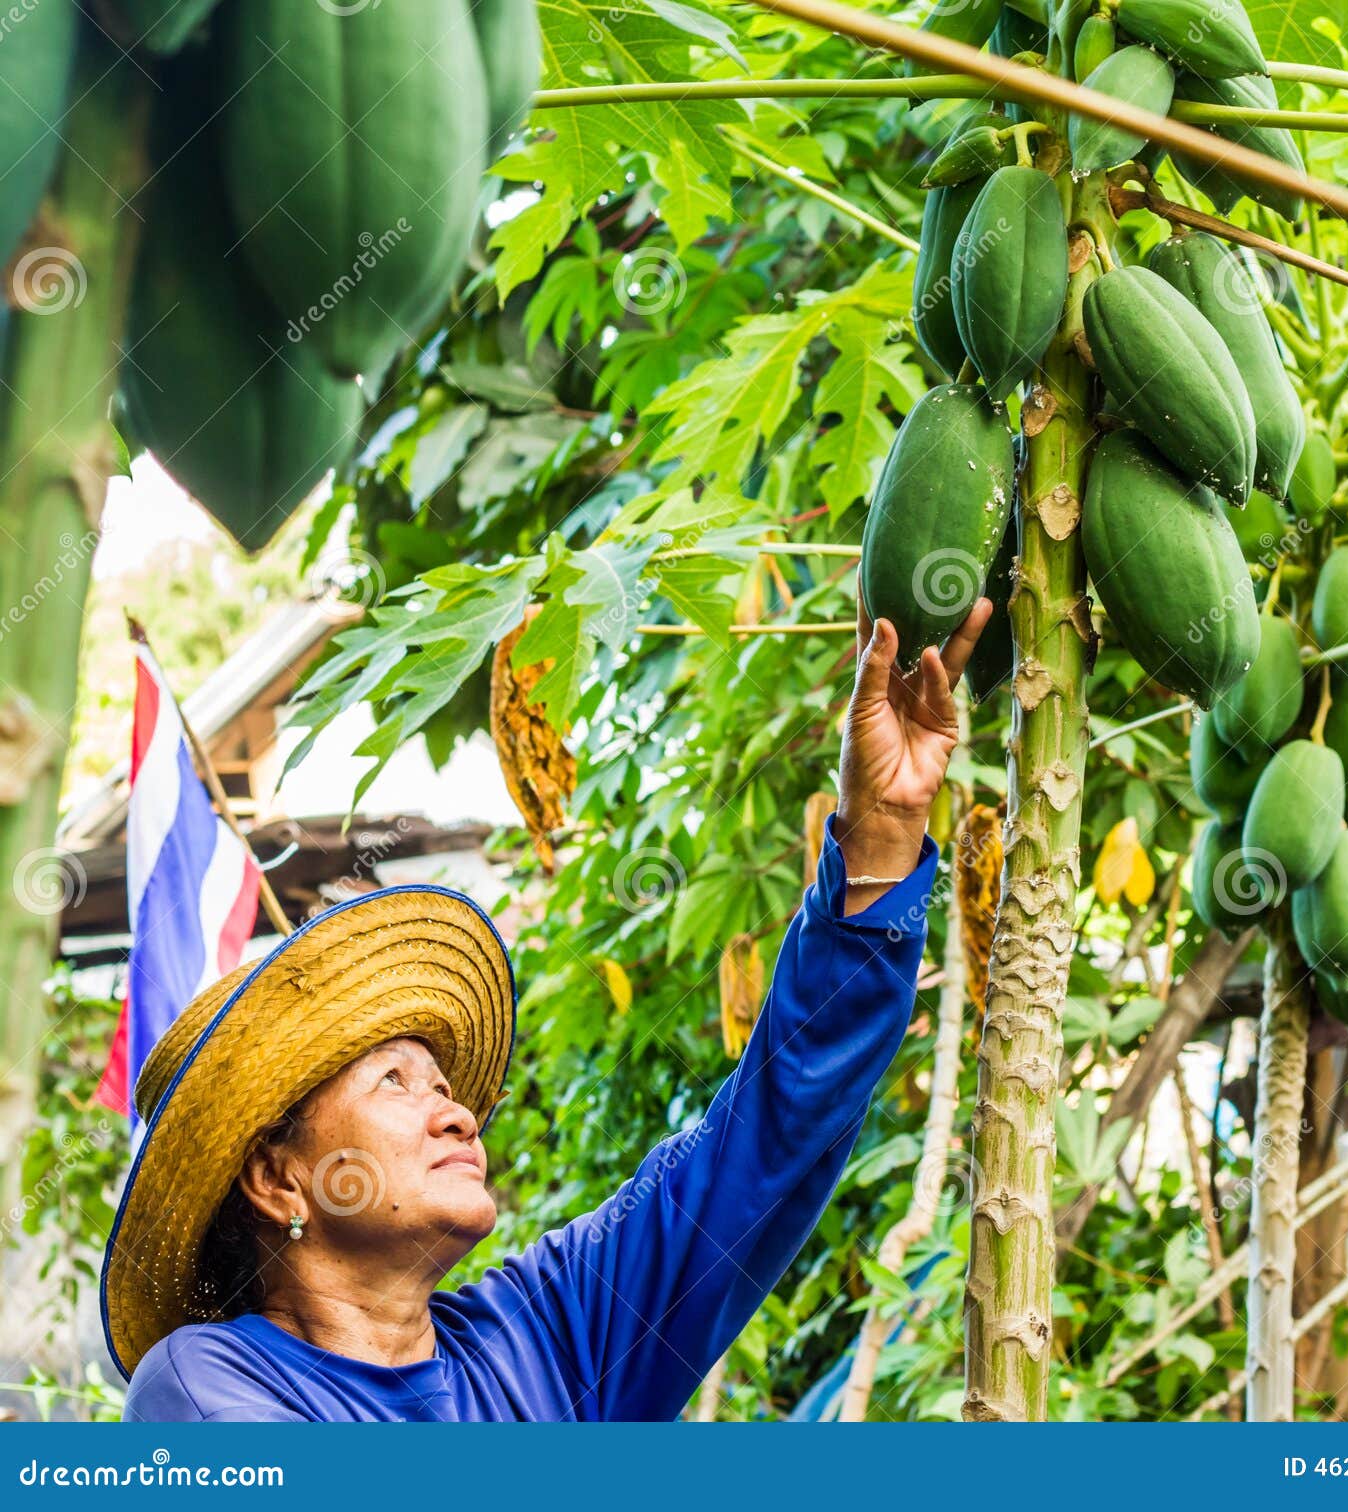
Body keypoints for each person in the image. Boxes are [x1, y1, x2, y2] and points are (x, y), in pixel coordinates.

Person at [105, 593, 992, 1421]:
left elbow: (768, 1136)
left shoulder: (553, 1332)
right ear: (278, 1179)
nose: (456, 1113)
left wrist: (879, 829)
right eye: (393, 1082)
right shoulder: (203, 1384)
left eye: (442, 1084)